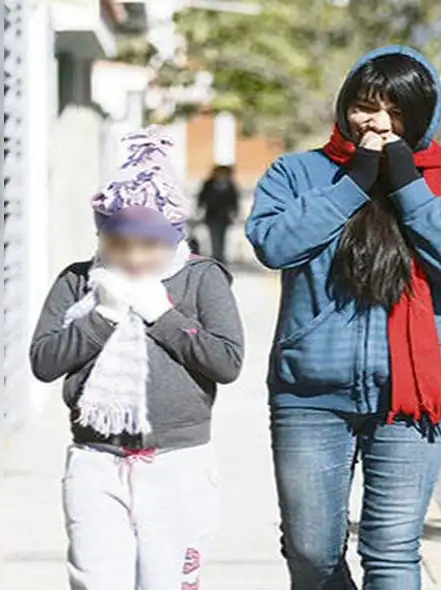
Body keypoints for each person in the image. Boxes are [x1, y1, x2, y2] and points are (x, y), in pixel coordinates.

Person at [245, 45, 441, 589]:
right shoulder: (297, 173)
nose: (377, 122)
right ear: (344, 107)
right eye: (365, 105)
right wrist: (353, 182)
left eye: (397, 111)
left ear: (422, 117)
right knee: (311, 553)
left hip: (411, 399)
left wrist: (407, 186)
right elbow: (274, 244)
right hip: (309, 395)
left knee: (391, 552)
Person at [29, 127, 245, 590]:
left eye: (149, 244)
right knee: (95, 581)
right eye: (119, 243)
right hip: (95, 459)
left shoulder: (201, 279)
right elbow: (44, 361)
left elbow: (226, 362)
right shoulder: (78, 281)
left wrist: (162, 315)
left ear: (172, 238)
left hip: (179, 461)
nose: (133, 257)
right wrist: (102, 316)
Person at [197, 164, 241, 263]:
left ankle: (220, 255)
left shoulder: (230, 185)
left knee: (222, 235)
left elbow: (235, 199)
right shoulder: (208, 184)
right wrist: (199, 208)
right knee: (214, 235)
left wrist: (235, 212)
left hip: (224, 216)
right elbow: (201, 197)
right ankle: (216, 254)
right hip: (211, 215)